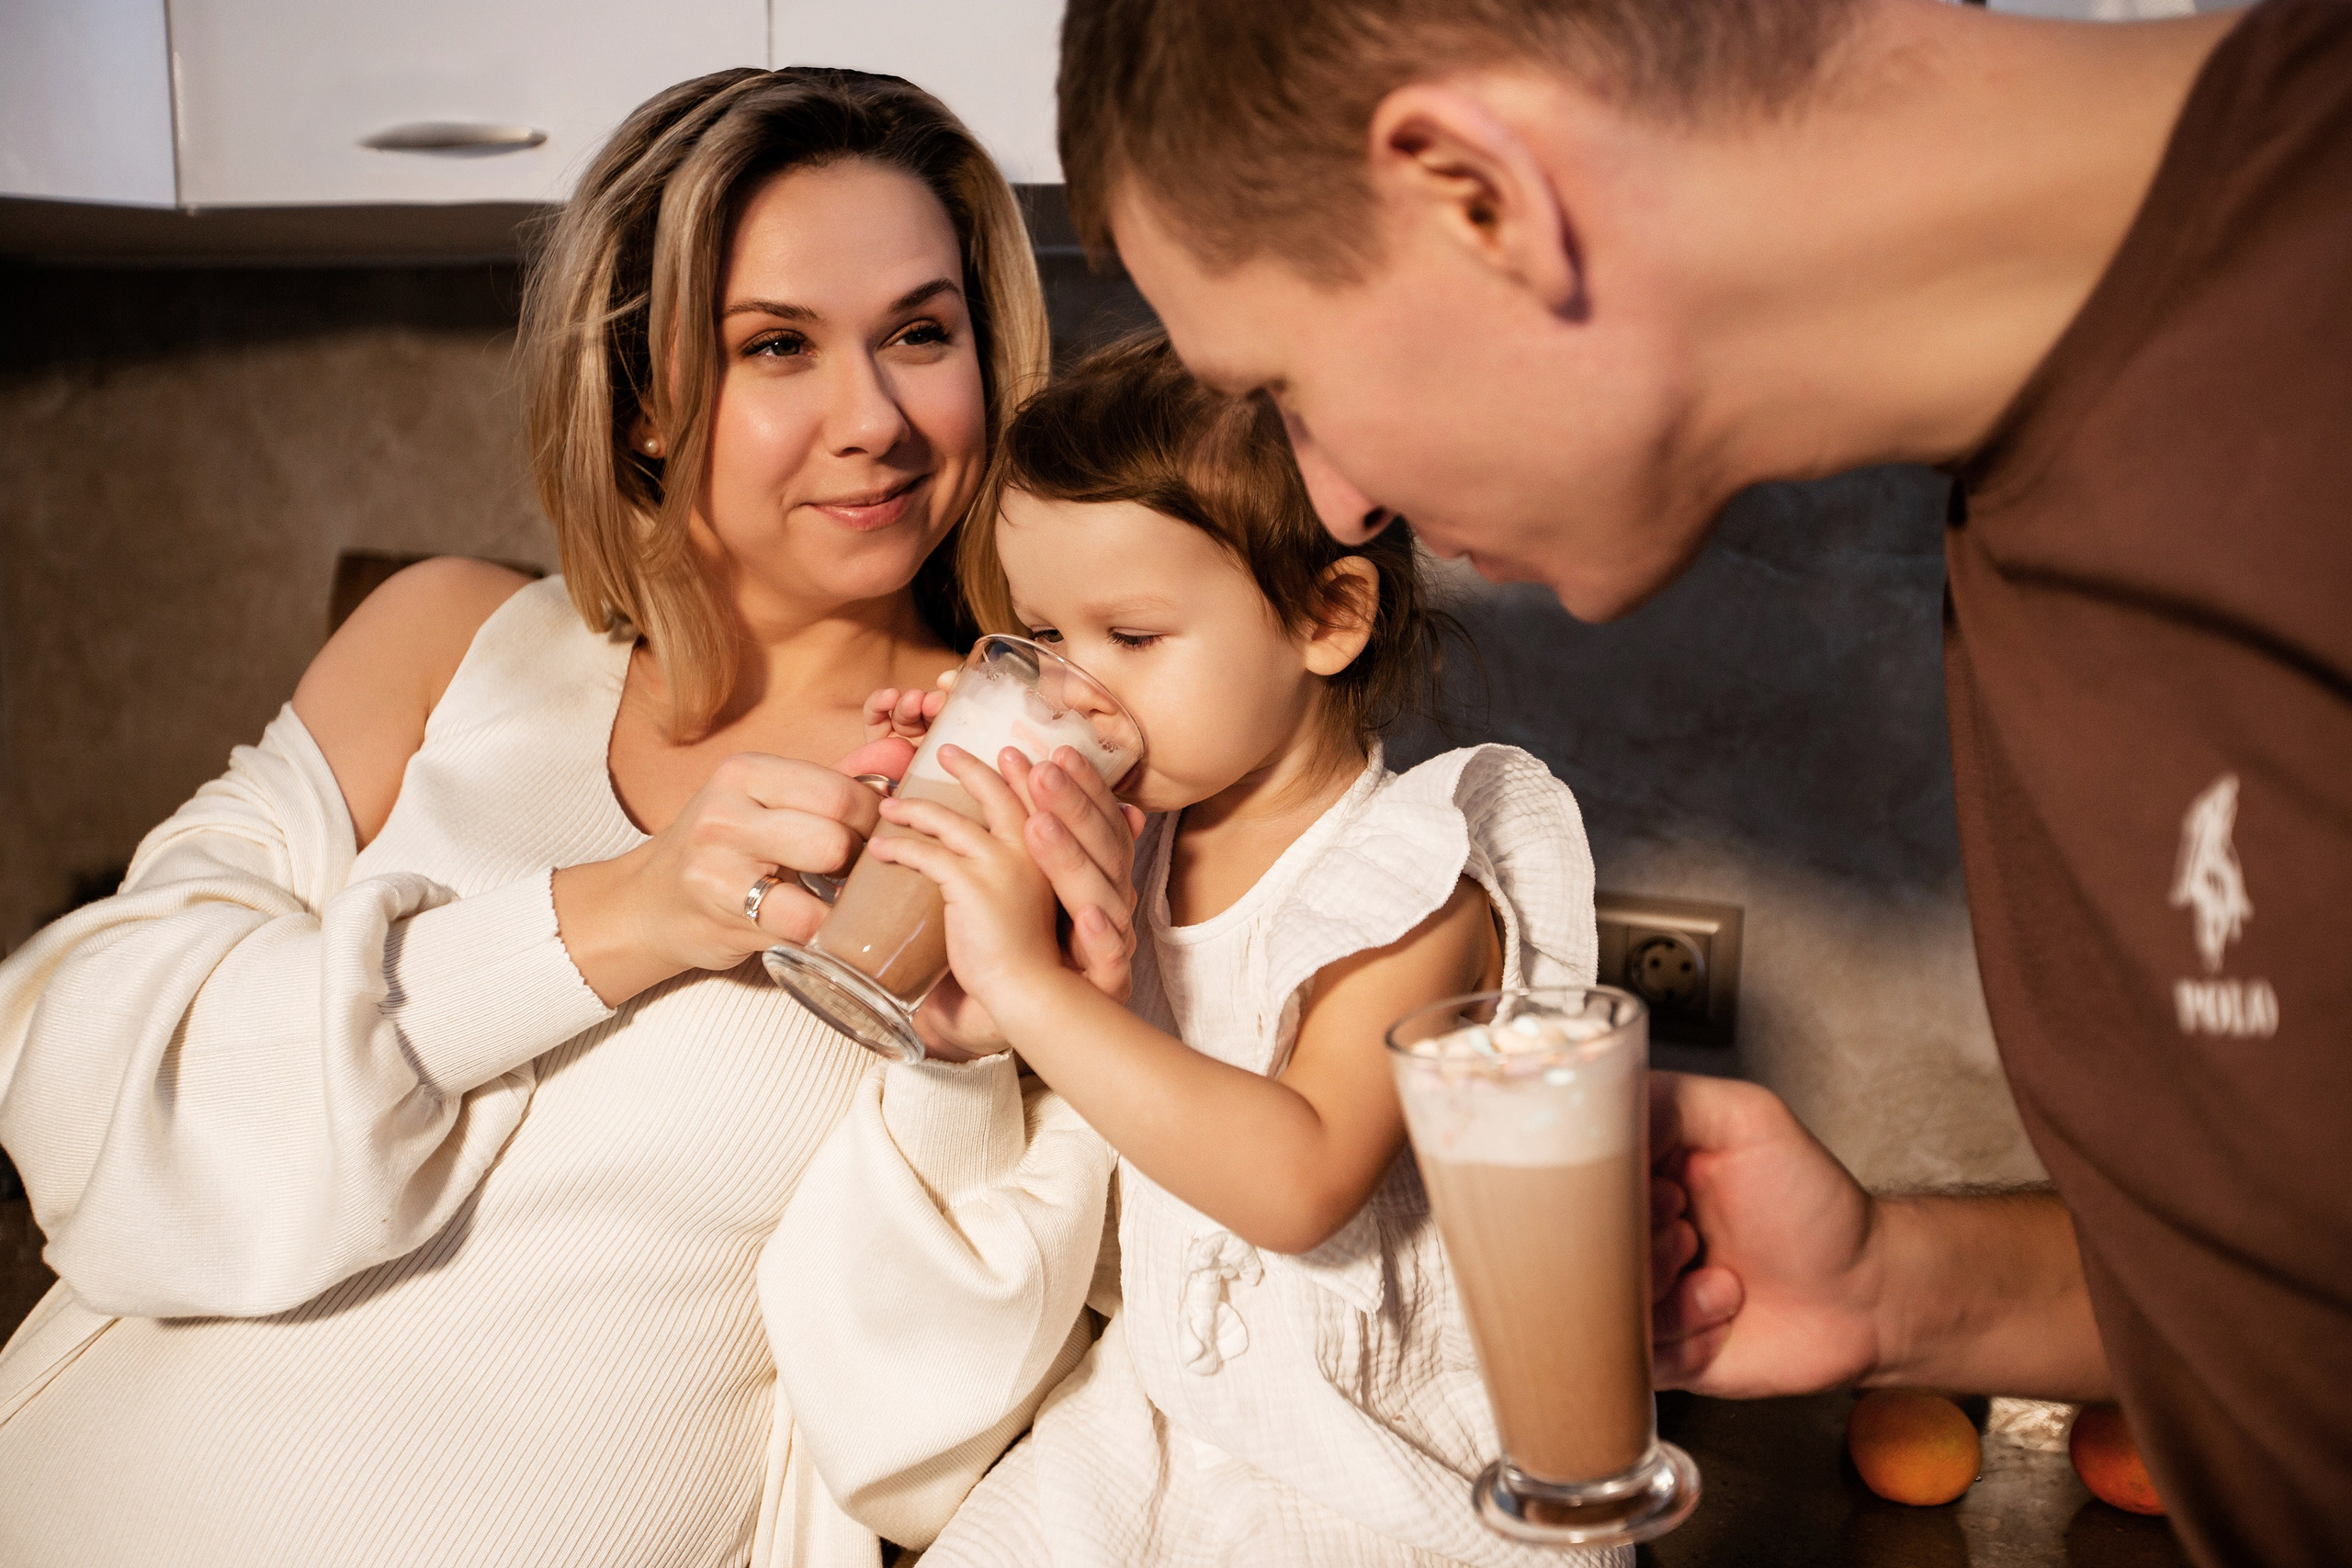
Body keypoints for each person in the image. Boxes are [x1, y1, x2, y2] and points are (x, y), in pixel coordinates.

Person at [1050, 2, 2352, 1565]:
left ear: (1479, 196)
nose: (1337, 498)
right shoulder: (2042, 489)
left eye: (1290, 387)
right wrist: (1899, 1286)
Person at [0, 68, 1136, 1568]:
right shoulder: (448, 643)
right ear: (644, 399)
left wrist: (964, 1062)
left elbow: (915, 1434)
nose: (875, 419)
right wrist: (616, 913)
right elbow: (87, 1086)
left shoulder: (1032, 769)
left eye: (921, 335)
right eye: (775, 346)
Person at [861, 333, 1620, 1568]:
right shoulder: (1133, 836)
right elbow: (1051, 1056)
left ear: (1328, 616)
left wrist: (1033, 983)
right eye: (1044, 635)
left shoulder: (1415, 884)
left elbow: (1298, 1180)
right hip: (1158, 1412)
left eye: (1135, 637)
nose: (1077, 688)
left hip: (1360, 1452)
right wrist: (954, 870)